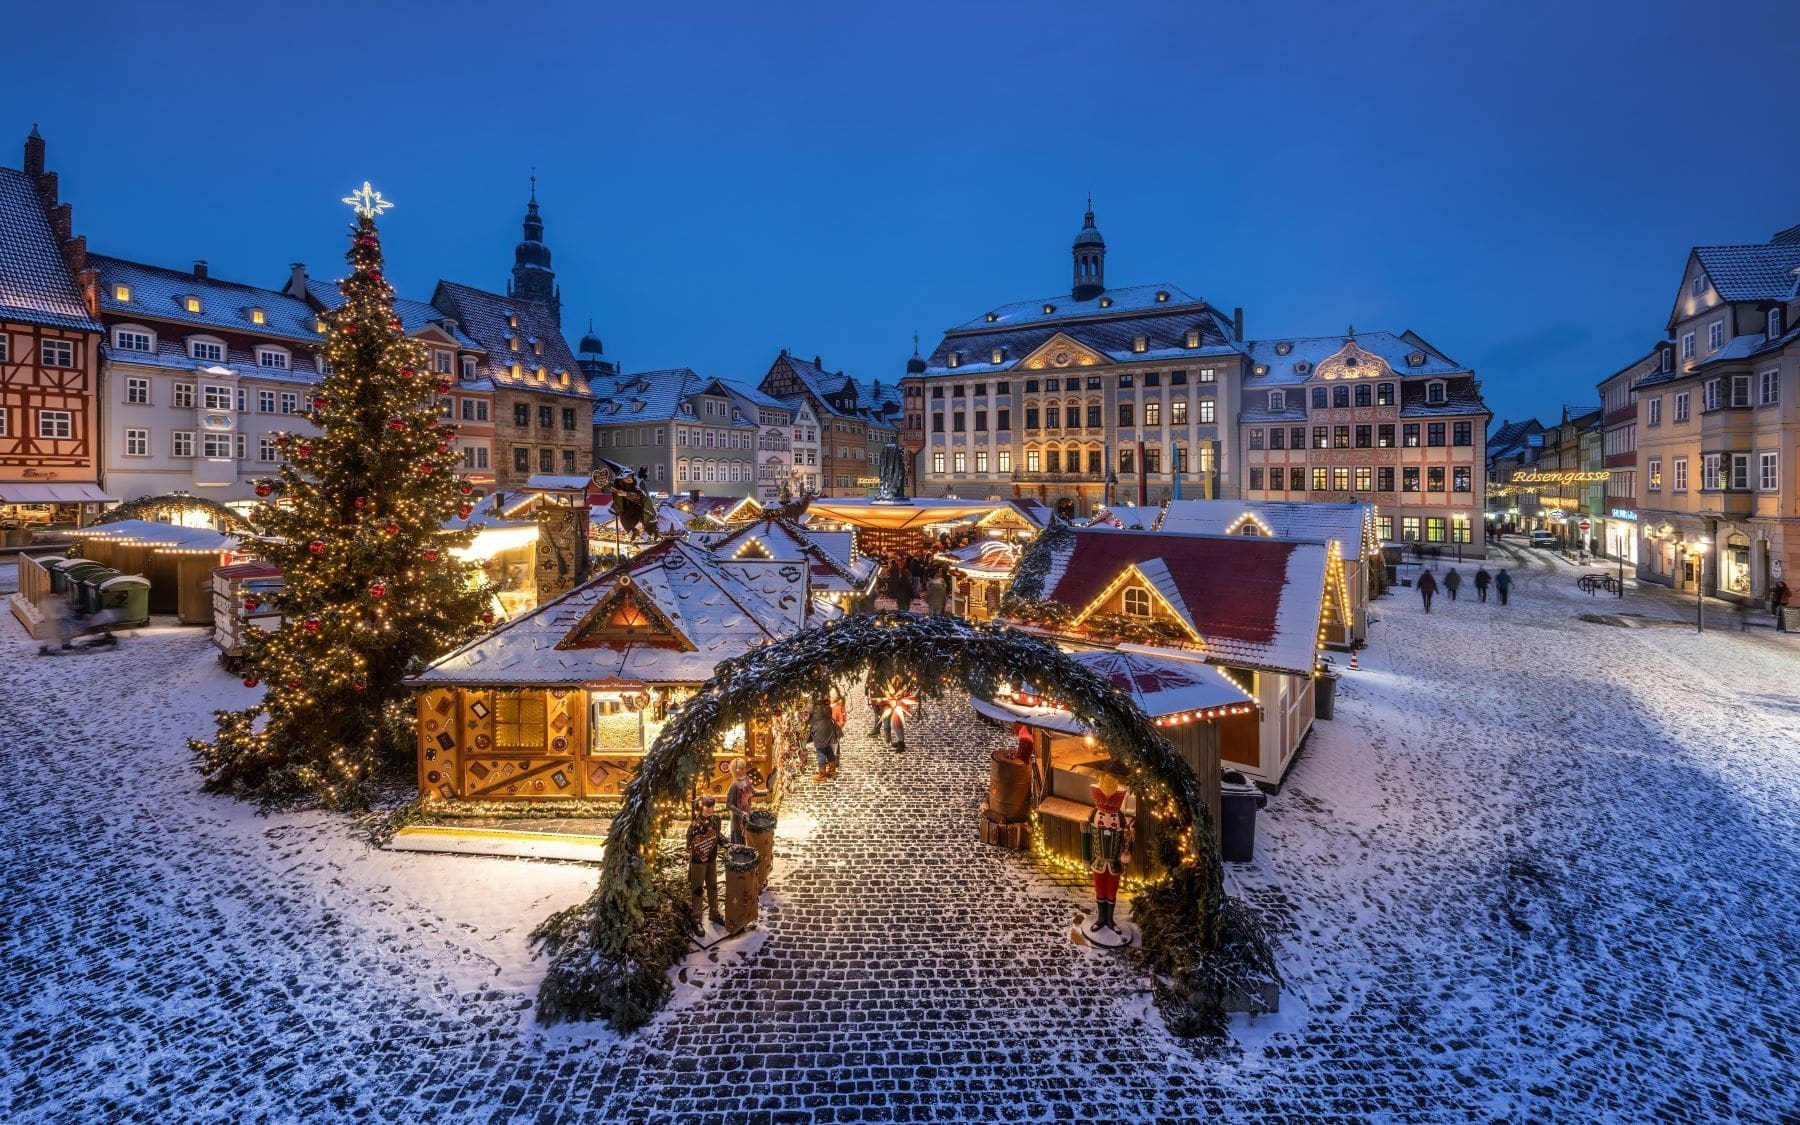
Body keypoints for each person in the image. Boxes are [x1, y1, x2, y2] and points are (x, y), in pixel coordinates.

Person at [1081, 774, 1133, 935]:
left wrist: (1126, 857)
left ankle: (1110, 920)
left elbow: (1126, 847)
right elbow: (1086, 839)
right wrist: (1086, 859)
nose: (1107, 821)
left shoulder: (1122, 830)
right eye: (1102, 816)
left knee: (1112, 892)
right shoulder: (1093, 827)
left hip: (1114, 865)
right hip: (1098, 863)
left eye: (1111, 818)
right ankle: (1101, 918)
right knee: (1099, 891)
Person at [725, 758, 766, 845]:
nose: (744, 770)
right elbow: (729, 804)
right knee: (739, 842)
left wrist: (764, 792)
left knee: (749, 838)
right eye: (741, 768)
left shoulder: (746, 781)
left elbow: (752, 792)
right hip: (738, 819)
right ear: (735, 770)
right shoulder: (734, 786)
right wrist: (741, 813)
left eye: (744, 768)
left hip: (748, 813)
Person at [808, 692, 841, 781]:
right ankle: (832, 773)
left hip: (819, 731)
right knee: (829, 750)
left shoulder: (812, 704)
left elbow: (806, 716)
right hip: (828, 729)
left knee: (820, 752)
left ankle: (822, 776)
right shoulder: (826, 703)